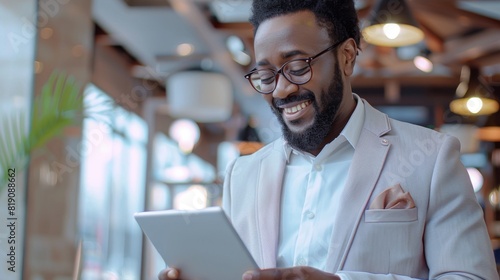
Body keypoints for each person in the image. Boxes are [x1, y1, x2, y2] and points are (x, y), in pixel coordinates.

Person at [159, 0, 499, 279]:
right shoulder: (242, 174)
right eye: (266, 75)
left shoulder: (431, 157)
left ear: (347, 56)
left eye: (297, 66)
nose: (282, 88)